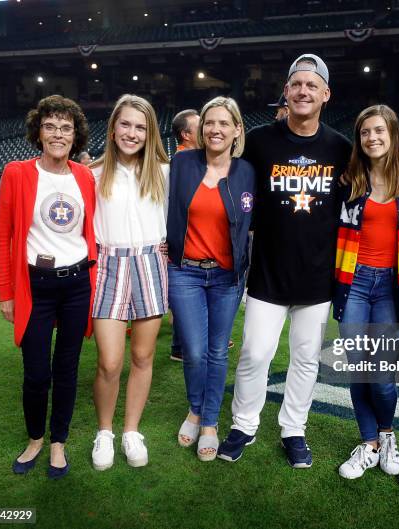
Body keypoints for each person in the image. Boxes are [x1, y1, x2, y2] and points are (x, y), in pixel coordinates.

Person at [218, 54, 352, 468]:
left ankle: (294, 429)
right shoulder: (258, 141)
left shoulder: (340, 147)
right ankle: (244, 424)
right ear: (286, 92)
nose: (303, 91)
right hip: (268, 273)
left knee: (306, 358)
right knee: (256, 353)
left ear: (325, 94)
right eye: (296, 84)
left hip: (317, 277)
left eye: (312, 85)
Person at [0, 95, 96, 479]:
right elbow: (2, 237)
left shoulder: (85, 177)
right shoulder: (16, 172)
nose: (57, 133)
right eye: (50, 126)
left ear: (75, 136)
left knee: (66, 369)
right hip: (34, 285)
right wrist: (6, 292)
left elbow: (94, 232)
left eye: (65, 128)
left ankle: (58, 443)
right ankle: (35, 438)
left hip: (76, 284)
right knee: (36, 372)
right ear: (38, 132)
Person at [332, 105, 399, 479]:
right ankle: (368, 442)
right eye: (365, 131)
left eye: (379, 131)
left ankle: (387, 434)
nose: (372, 137)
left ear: (393, 134)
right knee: (359, 370)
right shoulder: (350, 178)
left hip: (392, 285)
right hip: (353, 282)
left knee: (382, 375)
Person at [167, 96, 255, 462]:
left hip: (226, 277)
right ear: (201, 129)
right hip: (184, 271)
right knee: (195, 350)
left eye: (223, 123)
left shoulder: (248, 171)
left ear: (237, 130)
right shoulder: (181, 162)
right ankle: (194, 408)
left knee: (218, 352)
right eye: (209, 123)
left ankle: (208, 422)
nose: (215, 129)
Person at [90, 94, 169, 471]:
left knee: (142, 356)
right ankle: (104, 432)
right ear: (113, 127)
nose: (132, 133)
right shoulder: (91, 174)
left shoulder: (164, 173)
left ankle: (130, 431)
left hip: (151, 262)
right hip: (108, 264)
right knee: (109, 361)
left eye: (140, 126)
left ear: (149, 132)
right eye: (125, 124)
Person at [168, 108, 200, 362]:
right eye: (199, 127)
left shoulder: (193, 160)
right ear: (186, 134)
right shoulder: (178, 164)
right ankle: (180, 346)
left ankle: (182, 344)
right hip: (185, 248)